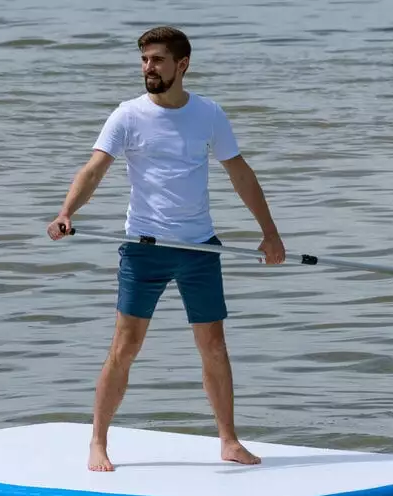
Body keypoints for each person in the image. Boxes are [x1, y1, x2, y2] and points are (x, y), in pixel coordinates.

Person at [47, 26, 286, 472]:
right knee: (126, 346)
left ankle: (229, 441)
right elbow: (95, 168)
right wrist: (66, 212)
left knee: (214, 345)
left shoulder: (208, 114)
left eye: (157, 60)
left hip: (200, 249)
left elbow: (239, 172)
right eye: (144, 60)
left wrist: (269, 232)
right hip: (144, 248)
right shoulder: (127, 115)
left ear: (183, 64)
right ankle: (98, 442)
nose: (148, 68)